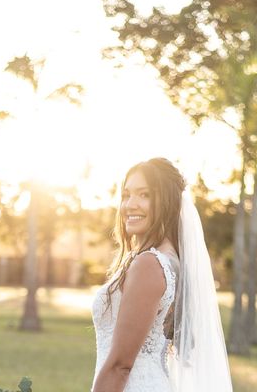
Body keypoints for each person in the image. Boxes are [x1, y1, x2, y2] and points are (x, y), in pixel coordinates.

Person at [91, 158, 233, 392]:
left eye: (144, 195)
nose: (130, 204)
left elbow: (120, 366)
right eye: (126, 195)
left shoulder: (149, 264)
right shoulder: (169, 260)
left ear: (166, 203)